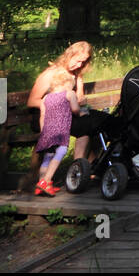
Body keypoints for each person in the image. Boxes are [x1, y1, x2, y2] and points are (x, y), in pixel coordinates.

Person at [28, 41, 104, 180]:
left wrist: (79, 82)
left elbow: (80, 99)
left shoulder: (76, 74)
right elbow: (32, 101)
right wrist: (56, 105)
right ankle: (77, 171)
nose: (80, 65)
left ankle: (82, 168)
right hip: (46, 118)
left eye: (83, 62)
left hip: (66, 115)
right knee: (87, 125)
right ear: (69, 55)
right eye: (78, 61)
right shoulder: (51, 73)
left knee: (96, 121)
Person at [32, 67, 82, 195]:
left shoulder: (46, 98)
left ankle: (40, 184)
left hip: (47, 132)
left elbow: (42, 116)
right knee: (61, 151)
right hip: (60, 131)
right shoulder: (69, 94)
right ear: (66, 84)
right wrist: (82, 112)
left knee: (47, 156)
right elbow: (75, 110)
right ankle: (46, 181)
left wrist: (44, 131)